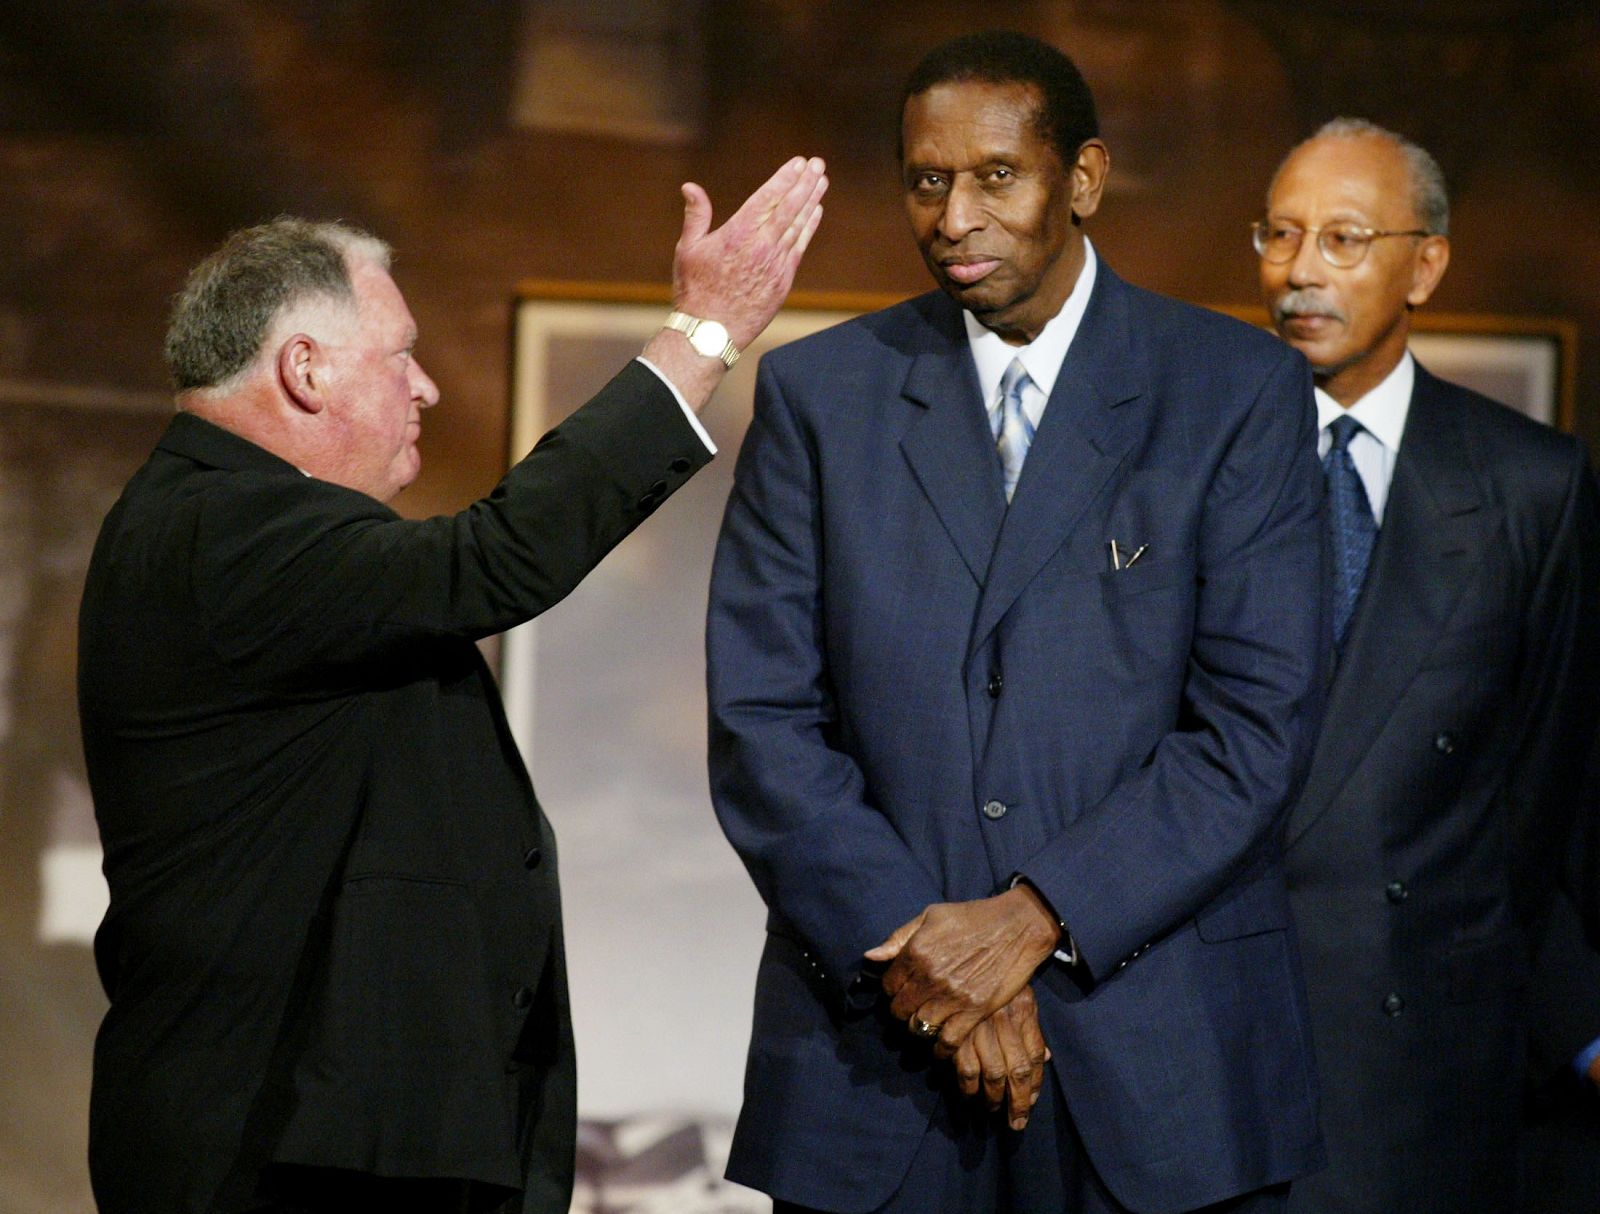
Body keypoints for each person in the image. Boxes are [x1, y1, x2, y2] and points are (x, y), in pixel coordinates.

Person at [77, 156, 827, 1214]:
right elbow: (493, 560)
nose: (425, 385)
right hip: (278, 1147)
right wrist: (703, 337)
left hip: (335, 1134)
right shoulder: (219, 527)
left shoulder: (226, 527)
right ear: (305, 370)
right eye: (401, 356)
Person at [707, 30, 1328, 1214]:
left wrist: (1037, 917)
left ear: (1081, 179)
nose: (953, 216)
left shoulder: (1232, 391)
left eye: (996, 176)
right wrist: (929, 956)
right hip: (874, 1060)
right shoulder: (818, 396)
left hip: (1158, 1058)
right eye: (927, 180)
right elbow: (763, 720)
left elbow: (1255, 723)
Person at [1255, 117, 1600, 1213]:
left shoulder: (1527, 486)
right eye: (1279, 235)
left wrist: (1570, 1017)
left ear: (1427, 262)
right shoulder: (1181, 462)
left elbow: (1551, 790)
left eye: (1345, 238)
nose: (1302, 268)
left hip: (1427, 1059)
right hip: (1215, 1035)